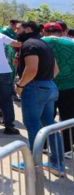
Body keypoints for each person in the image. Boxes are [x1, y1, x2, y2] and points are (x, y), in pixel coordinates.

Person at [11, 21, 64, 176]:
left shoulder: (29, 44)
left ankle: (34, 165)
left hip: (34, 88)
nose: (16, 31)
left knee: (33, 126)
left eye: (19, 29)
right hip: (49, 86)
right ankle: (57, 164)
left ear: (28, 29)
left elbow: (32, 69)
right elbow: (55, 69)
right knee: (50, 125)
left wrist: (20, 85)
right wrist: (45, 82)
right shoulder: (43, 44)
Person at [41, 22, 74, 153]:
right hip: (69, 86)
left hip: (46, 85)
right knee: (68, 117)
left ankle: (42, 145)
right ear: (61, 32)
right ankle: (67, 149)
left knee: (45, 116)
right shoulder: (71, 44)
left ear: (44, 31)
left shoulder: (39, 43)